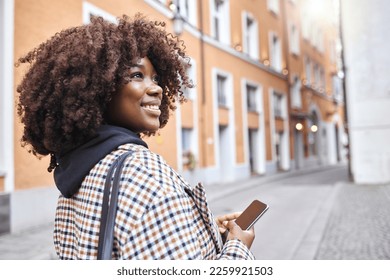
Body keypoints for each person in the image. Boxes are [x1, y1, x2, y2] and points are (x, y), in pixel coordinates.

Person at [16, 14, 255, 260]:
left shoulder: (78, 174)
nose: (158, 88)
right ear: (99, 88)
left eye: (157, 78)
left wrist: (198, 231)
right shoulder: (146, 173)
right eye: (137, 75)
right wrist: (238, 245)